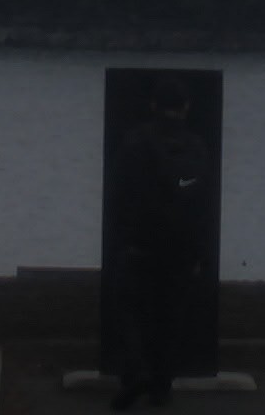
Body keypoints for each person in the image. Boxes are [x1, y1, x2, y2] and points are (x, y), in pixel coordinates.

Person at [108, 76, 212, 411]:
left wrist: (121, 237)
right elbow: (202, 203)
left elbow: (119, 193)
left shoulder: (135, 142)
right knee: (170, 319)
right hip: (181, 248)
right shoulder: (196, 147)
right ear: (186, 108)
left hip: (140, 244)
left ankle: (136, 370)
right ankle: (161, 388)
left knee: (130, 311)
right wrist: (199, 251)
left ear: (153, 105)